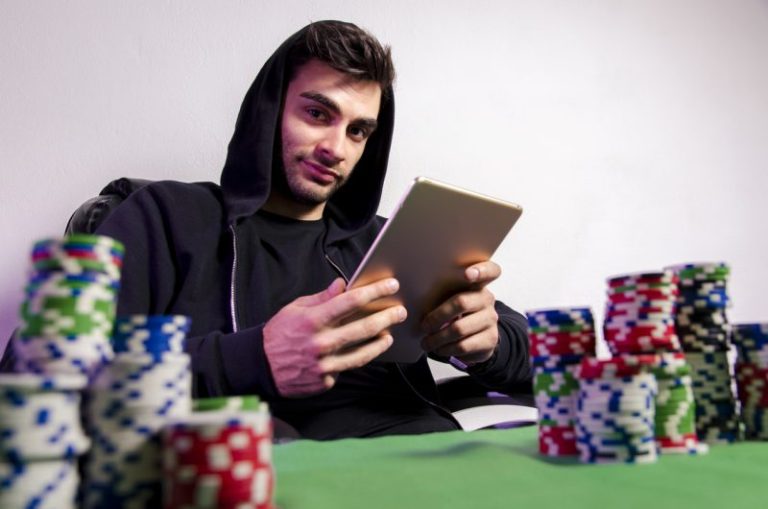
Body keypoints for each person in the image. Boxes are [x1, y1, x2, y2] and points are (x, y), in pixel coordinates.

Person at [4, 20, 532, 440]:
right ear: (269, 109)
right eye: (317, 113)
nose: (337, 148)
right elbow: (33, 377)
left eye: (358, 131)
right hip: (266, 473)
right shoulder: (160, 215)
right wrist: (250, 360)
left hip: (425, 459)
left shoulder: (389, 241)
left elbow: (552, 365)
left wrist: (488, 346)